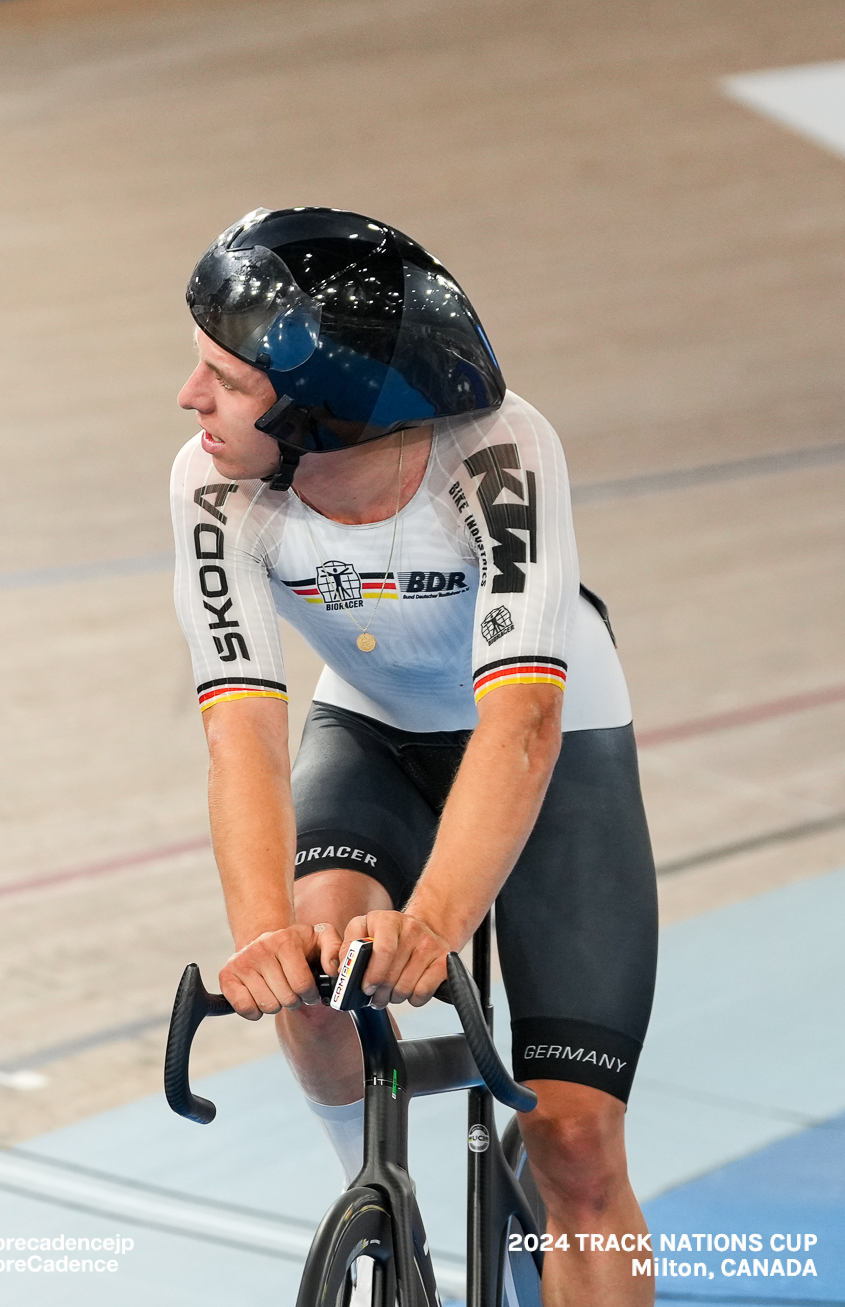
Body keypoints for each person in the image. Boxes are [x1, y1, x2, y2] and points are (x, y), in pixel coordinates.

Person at [170, 207, 656, 1305]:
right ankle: (381, 1206)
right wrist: (259, 934)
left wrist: (434, 925)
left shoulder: (497, 454)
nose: (189, 399)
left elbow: (523, 724)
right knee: (309, 974)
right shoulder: (210, 482)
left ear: (318, 412)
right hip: (375, 725)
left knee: (576, 1143)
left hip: (555, 734)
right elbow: (240, 724)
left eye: (224, 377)